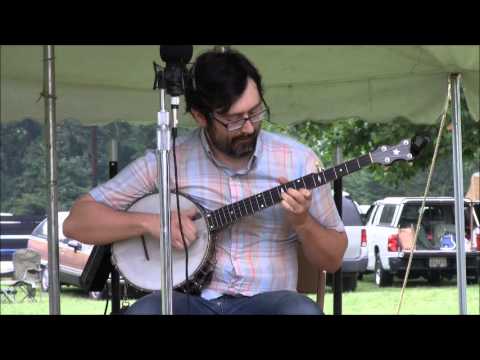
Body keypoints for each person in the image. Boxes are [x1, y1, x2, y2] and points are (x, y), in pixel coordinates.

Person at [63, 48, 347, 315]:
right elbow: (77, 222)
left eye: (256, 112)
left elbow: (332, 260)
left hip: (269, 301)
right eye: (234, 120)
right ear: (200, 116)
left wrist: (302, 222)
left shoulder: (299, 162)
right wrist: (154, 224)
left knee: (301, 311)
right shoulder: (168, 161)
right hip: (190, 301)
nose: (249, 127)